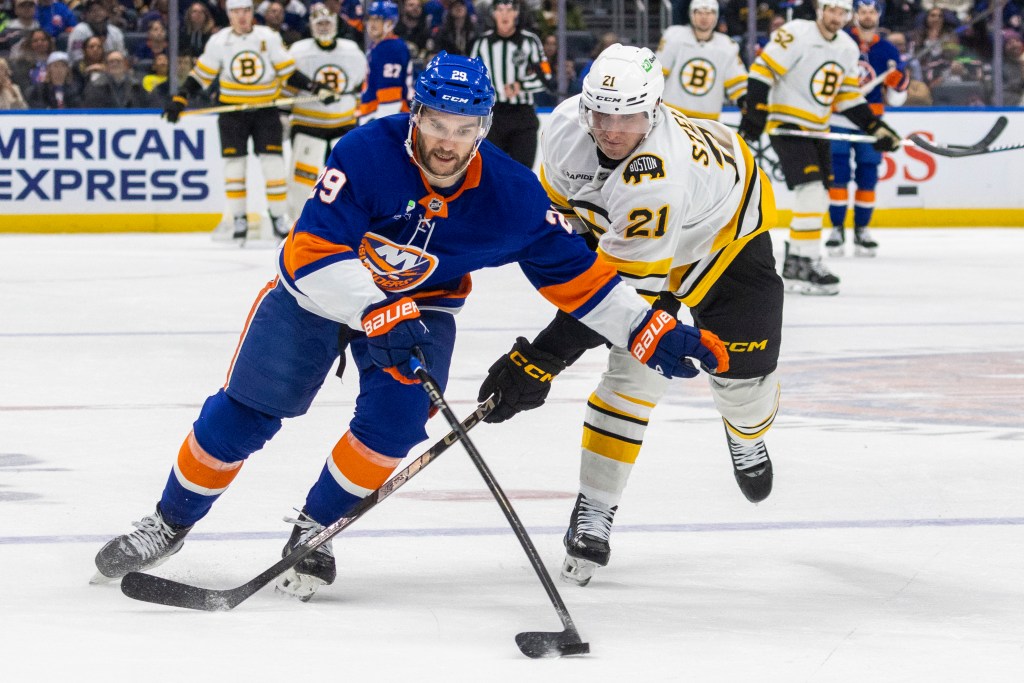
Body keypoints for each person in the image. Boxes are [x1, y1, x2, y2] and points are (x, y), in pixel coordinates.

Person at [91, 52, 729, 602]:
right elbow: (312, 251)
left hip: (424, 308)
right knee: (246, 414)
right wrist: (375, 310)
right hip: (317, 296)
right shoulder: (365, 152)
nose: (448, 142)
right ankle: (169, 522)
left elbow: (583, 281)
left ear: (484, 127)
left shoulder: (511, 195)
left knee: (395, 426)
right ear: (415, 114)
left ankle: (315, 528)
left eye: (465, 128)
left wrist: (651, 330)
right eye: (437, 124)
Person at [477, 44, 782, 587]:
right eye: (602, 114)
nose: (612, 131)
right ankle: (595, 508)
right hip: (636, 243)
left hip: (722, 237)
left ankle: (744, 431)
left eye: (629, 117)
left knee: (742, 385)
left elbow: (611, 299)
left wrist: (541, 359)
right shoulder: (565, 128)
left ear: (655, 110)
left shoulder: (658, 175)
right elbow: (562, 224)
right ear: (584, 106)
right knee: (632, 378)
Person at [738, 0, 901, 295]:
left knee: (819, 194)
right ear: (820, 10)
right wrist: (756, 113)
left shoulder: (847, 48)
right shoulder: (796, 32)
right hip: (787, 125)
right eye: (831, 10)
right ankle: (808, 259)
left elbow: (848, 96)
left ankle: (796, 260)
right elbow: (762, 71)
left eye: (842, 12)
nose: (836, 17)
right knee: (811, 190)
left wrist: (875, 127)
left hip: (818, 129)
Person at [162, 0, 339, 242]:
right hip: (232, 111)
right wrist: (181, 97)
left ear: (252, 12)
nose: (242, 16)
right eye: (236, 12)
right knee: (234, 165)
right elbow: (201, 75)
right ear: (229, 15)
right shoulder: (219, 41)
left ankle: (278, 217)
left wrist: (315, 87)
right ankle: (238, 218)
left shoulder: (268, 37)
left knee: (273, 164)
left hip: (265, 110)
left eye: (246, 11)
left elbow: (287, 73)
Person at [827, 0, 909, 257]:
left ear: (878, 15)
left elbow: (896, 99)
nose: (867, 16)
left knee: (868, 177)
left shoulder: (888, 50)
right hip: (838, 119)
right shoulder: (839, 42)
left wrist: (900, 83)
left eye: (872, 11)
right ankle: (837, 229)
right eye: (863, 11)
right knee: (837, 176)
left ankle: (862, 229)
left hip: (871, 125)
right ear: (854, 14)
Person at [286, 3, 366, 220]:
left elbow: (360, 85)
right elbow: (287, 87)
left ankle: (344, 221)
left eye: (327, 23)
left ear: (336, 25)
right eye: (319, 23)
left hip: (344, 125)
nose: (323, 27)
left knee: (348, 179)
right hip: (308, 125)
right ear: (311, 25)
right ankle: (300, 222)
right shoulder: (298, 51)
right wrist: (283, 115)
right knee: (303, 181)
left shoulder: (352, 51)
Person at [469, 0, 551, 168]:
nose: (505, 14)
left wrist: (521, 86)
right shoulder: (481, 43)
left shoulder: (530, 41)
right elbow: (472, 78)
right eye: (500, 9)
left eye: (509, 9)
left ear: (516, 13)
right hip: (492, 115)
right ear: (493, 14)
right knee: (490, 170)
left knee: (522, 171)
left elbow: (546, 76)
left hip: (522, 115)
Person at [656, 0, 747, 120]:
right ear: (691, 14)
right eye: (699, 12)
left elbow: (738, 85)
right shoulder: (674, 37)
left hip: (707, 121)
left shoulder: (727, 46)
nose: (704, 17)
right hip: (671, 116)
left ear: (716, 16)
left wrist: (746, 105)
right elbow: (657, 74)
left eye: (709, 13)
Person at [359, 0, 412, 123]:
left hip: (383, 115)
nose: (372, 24)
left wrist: (382, 124)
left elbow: (390, 94)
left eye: (378, 19)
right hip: (374, 113)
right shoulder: (379, 45)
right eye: (370, 19)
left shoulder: (391, 48)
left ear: (390, 23)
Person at [81, 49, 148, 107]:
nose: (115, 64)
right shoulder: (96, 85)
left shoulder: (138, 84)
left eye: (118, 61)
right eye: (111, 62)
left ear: (125, 65)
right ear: (106, 66)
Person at [66, 0, 125, 64]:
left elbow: (121, 54)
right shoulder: (79, 31)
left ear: (106, 12)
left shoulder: (115, 32)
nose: (97, 13)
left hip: (109, 67)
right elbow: (76, 55)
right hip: (83, 66)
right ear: (86, 14)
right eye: (93, 10)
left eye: (100, 9)